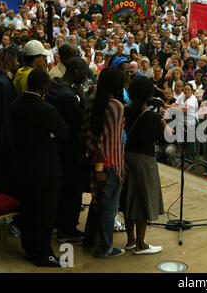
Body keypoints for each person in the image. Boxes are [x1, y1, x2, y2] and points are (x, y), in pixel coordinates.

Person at [11, 68, 69, 267]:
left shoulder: (15, 105)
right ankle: (44, 253)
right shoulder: (47, 109)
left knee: (27, 210)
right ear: (44, 86)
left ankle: (30, 249)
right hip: (46, 169)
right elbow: (64, 133)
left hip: (22, 167)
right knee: (45, 212)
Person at [82, 67, 126, 258]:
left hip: (94, 161)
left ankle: (89, 239)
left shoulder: (92, 100)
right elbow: (109, 140)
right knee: (109, 207)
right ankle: (104, 248)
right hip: (111, 164)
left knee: (97, 201)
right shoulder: (116, 106)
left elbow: (88, 133)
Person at [45, 57, 89, 243]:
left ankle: (57, 223)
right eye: (85, 73)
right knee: (72, 191)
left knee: (61, 190)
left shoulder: (54, 85)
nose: (86, 76)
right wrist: (82, 99)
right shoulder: (69, 97)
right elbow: (79, 125)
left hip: (55, 148)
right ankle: (67, 230)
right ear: (77, 72)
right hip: (70, 151)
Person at [123, 76, 168, 255]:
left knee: (128, 198)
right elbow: (164, 139)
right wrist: (163, 122)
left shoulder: (125, 110)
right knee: (142, 200)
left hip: (126, 156)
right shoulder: (151, 116)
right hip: (144, 160)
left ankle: (130, 240)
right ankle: (141, 244)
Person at [0, 48, 19, 195]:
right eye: (15, 60)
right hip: (1, 146)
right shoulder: (1, 83)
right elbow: (0, 119)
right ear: (9, 60)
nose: (18, 63)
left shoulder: (3, 81)